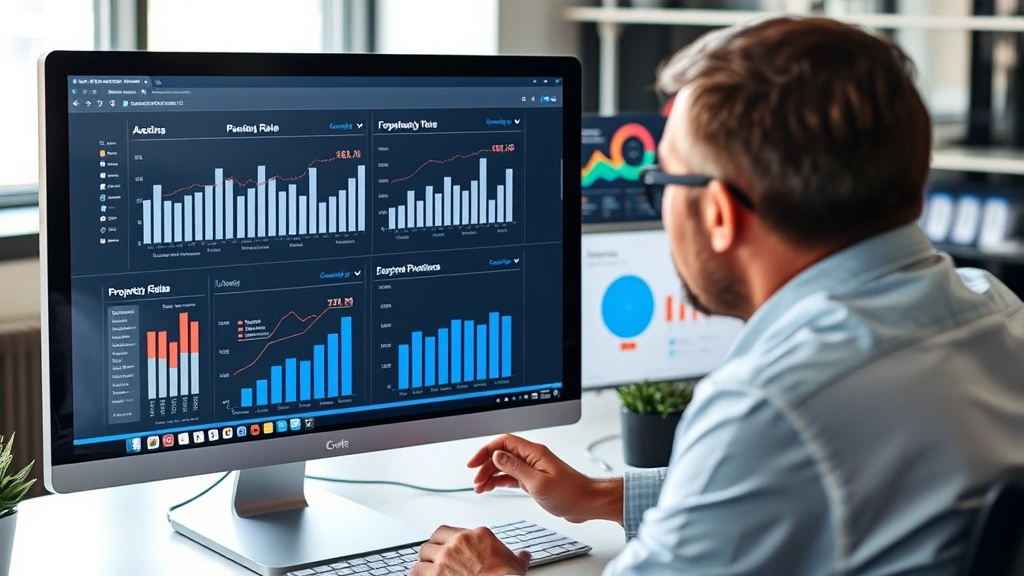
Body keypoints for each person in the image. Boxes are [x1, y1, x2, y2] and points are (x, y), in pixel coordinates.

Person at [410, 15, 1024, 576]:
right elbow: (819, 485)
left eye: (662, 182)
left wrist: (491, 573)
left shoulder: (774, 403)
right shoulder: (996, 312)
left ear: (722, 214)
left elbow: (781, 453)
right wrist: (599, 496)